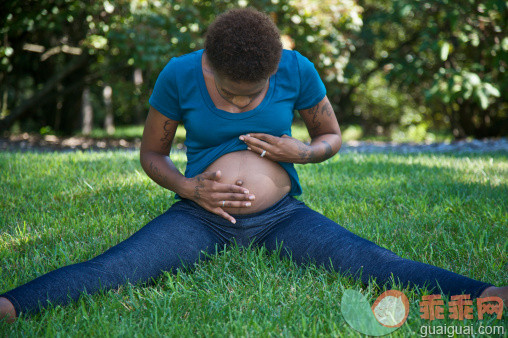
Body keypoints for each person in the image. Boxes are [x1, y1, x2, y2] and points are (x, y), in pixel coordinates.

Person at [1, 8, 506, 324]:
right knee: (116, 269)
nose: (240, 106)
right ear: (208, 65)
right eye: (228, 94)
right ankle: (11, 305)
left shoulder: (296, 68)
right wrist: (189, 187)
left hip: (282, 217)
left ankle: (487, 296)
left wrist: (303, 152)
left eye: (253, 96)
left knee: (373, 261)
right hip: (200, 216)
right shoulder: (179, 74)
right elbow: (151, 154)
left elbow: (330, 137)